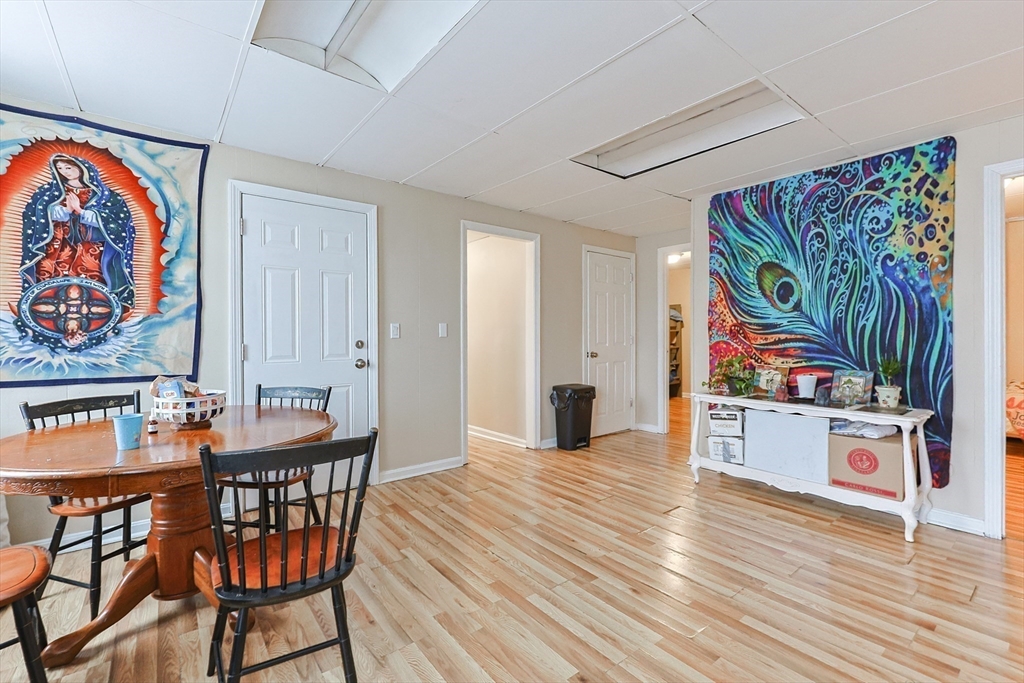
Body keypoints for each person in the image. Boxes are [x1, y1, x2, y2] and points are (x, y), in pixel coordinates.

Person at [19, 153, 136, 311]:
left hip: (92, 247)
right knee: (53, 277)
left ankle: (93, 310)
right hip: (57, 245)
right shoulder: (48, 191)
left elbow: (120, 224)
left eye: (68, 167)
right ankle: (50, 309)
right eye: (59, 168)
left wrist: (82, 212)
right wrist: (64, 210)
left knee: (93, 277)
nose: (64, 172)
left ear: (82, 169)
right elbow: (34, 214)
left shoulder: (105, 195)